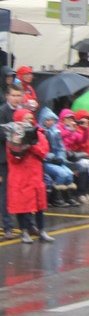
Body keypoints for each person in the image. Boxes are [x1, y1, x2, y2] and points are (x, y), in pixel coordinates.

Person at [4, 109, 54, 243]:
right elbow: (13, 159)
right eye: (25, 119)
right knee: (22, 205)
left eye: (30, 119)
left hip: (35, 175)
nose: (28, 121)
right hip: (20, 176)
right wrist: (20, 145)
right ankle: (24, 231)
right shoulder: (13, 136)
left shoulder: (39, 134)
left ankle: (42, 230)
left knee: (39, 205)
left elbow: (44, 153)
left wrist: (31, 145)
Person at [0, 83, 22, 237]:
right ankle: (7, 226)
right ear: (7, 96)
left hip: (18, 157)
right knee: (5, 192)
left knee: (17, 191)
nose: (16, 98)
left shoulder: (21, 111)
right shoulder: (2, 112)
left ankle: (23, 225)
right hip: (4, 158)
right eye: (13, 95)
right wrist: (14, 135)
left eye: (18, 95)